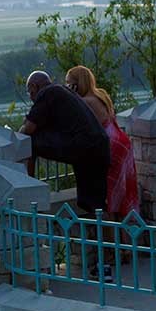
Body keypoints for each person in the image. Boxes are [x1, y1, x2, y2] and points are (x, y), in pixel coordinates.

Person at [18, 70, 111, 280]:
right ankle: (105, 264)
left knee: (30, 144)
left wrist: (14, 137)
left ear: (34, 87)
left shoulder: (47, 94)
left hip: (84, 149)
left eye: (29, 91)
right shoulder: (61, 93)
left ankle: (29, 188)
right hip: (97, 148)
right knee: (97, 206)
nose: (30, 96)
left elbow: (27, 130)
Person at [64, 65, 139, 220]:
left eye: (69, 83)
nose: (67, 88)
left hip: (109, 147)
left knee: (109, 197)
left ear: (78, 83)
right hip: (121, 144)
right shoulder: (100, 95)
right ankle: (126, 239)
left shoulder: (85, 101)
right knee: (123, 195)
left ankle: (113, 241)